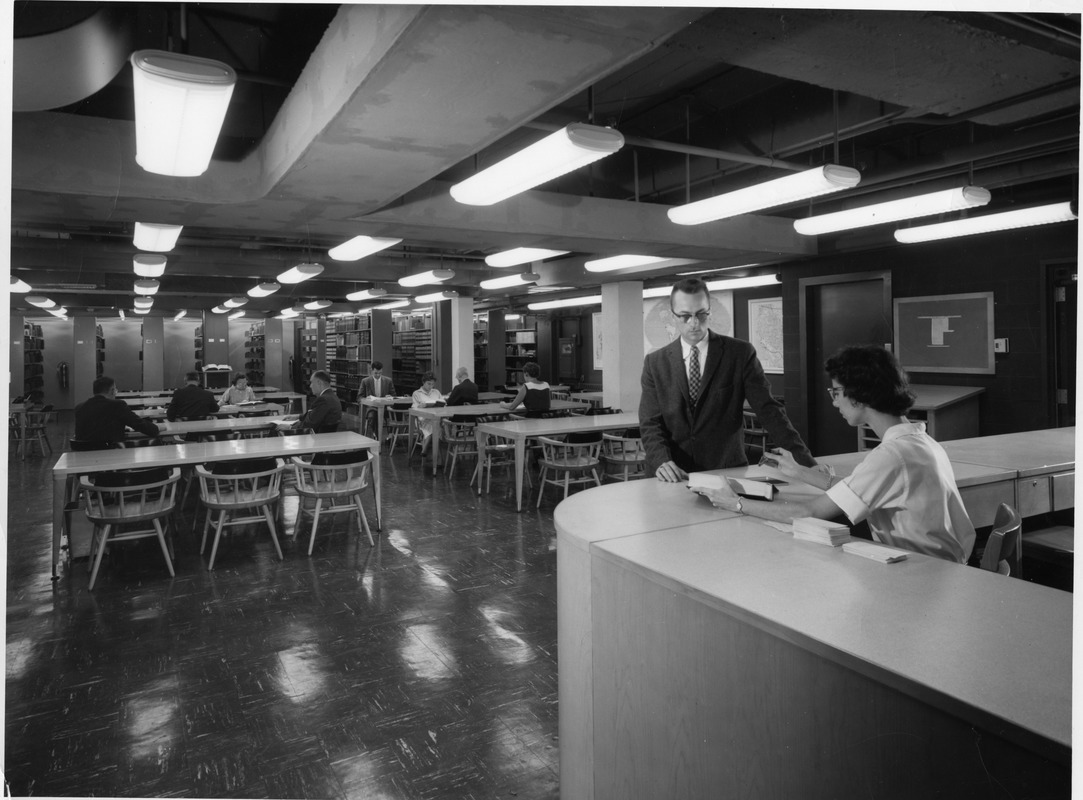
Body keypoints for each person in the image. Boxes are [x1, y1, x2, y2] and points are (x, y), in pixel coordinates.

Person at [697, 345, 977, 564]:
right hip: (945, 561)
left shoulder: (892, 455)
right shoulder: (918, 441)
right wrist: (800, 473)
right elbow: (862, 487)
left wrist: (735, 504)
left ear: (859, 394)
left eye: (837, 392)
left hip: (926, 571)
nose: (833, 401)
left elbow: (810, 511)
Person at [639, 277, 817, 482]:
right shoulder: (655, 362)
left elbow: (769, 411)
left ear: (710, 312)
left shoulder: (739, 353)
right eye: (685, 316)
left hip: (725, 470)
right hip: (672, 474)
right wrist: (661, 460)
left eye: (701, 314)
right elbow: (650, 422)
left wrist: (807, 464)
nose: (694, 323)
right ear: (673, 317)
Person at [74, 375, 160, 445]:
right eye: (115, 389)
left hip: (84, 455)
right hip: (111, 452)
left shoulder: (79, 407)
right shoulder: (117, 405)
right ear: (112, 391)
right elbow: (138, 424)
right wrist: (156, 429)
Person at [358, 361, 397, 437]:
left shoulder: (388, 381)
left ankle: (390, 437)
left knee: (394, 415)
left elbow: (394, 395)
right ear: (371, 370)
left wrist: (390, 397)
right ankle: (375, 435)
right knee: (373, 416)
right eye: (376, 373)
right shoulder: (365, 381)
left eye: (380, 373)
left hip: (385, 408)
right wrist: (366, 399)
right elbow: (359, 397)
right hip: (371, 408)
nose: (378, 375)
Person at [411, 371, 444, 457]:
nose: (431, 386)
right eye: (428, 384)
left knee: (436, 425)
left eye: (432, 384)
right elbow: (414, 409)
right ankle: (438, 458)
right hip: (423, 420)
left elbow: (443, 402)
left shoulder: (436, 392)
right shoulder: (417, 393)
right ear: (423, 382)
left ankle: (425, 449)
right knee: (435, 427)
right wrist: (420, 406)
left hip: (435, 418)